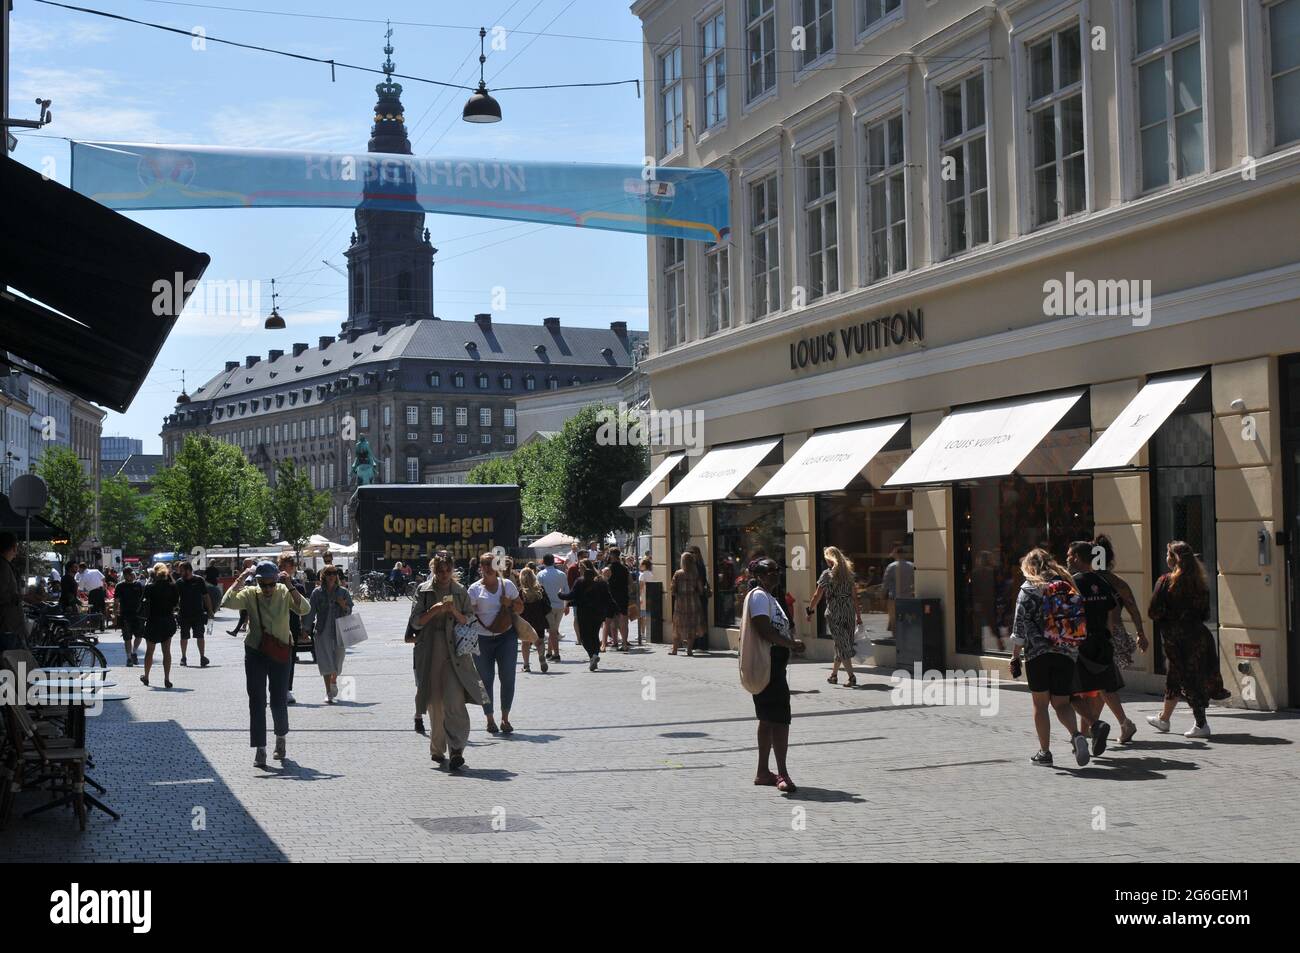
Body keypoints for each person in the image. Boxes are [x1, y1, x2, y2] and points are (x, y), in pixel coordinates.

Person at [1007, 548, 1092, 767]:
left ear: (1029, 566)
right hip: (1066, 651)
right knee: (1062, 702)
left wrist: (1015, 657)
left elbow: (1019, 628)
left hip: (1037, 654)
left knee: (1040, 705)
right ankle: (1077, 735)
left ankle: (1045, 753)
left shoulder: (1028, 589)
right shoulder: (1066, 583)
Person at [222, 561, 311, 766]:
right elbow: (227, 602)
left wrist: (289, 585)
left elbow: (304, 609)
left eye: (272, 584)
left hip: (280, 651)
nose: (268, 589)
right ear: (258, 582)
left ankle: (280, 738)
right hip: (255, 651)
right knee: (256, 700)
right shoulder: (251, 593)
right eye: (264, 585)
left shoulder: (283, 591)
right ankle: (260, 748)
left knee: (278, 700)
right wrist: (242, 577)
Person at [410, 553, 483, 770]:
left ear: (452, 570)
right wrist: (433, 611)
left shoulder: (460, 592)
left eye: (447, 570)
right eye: (439, 570)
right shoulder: (423, 590)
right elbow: (415, 621)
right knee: (434, 702)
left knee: (454, 700)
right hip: (431, 650)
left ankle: (457, 748)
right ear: (433, 570)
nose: (443, 575)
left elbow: (470, 620)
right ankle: (437, 747)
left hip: (456, 653)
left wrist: (454, 612)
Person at [1147, 541, 1226, 739]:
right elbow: (1206, 613)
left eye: (1168, 554)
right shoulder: (1200, 583)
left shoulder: (1165, 581)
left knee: (1189, 679)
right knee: (1177, 676)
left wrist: (1169, 618)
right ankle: (1164, 719)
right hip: (1199, 636)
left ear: (1173, 559)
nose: (1165, 557)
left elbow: (1153, 611)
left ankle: (1201, 724)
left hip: (1176, 639)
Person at [745, 558, 806, 793]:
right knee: (780, 720)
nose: (775, 575)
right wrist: (790, 644)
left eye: (777, 571)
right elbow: (763, 628)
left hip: (773, 665)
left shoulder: (769, 597)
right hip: (768, 664)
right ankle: (782, 773)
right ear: (759, 576)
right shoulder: (760, 596)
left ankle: (763, 771)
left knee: (768, 719)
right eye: (770, 572)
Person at [1065, 541, 1123, 756]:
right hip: (1101, 643)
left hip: (1081, 643)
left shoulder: (1072, 582)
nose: (1068, 558)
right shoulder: (1101, 581)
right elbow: (1111, 612)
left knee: (1073, 691)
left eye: (1070, 555)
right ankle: (1089, 732)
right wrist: (1108, 638)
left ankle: (1092, 726)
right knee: (1097, 688)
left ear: (1078, 558)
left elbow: (1069, 614)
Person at [1092, 534, 1149, 742]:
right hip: (1117, 635)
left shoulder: (1089, 581)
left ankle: (1122, 724)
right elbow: (1133, 609)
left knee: (1102, 685)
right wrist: (1140, 633)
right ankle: (1094, 727)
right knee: (1101, 685)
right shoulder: (1118, 582)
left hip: (1102, 637)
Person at [467, 552, 523, 735]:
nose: (488, 569)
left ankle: (505, 718)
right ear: (480, 567)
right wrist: (470, 611)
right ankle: (489, 718)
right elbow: (468, 613)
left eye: (491, 565)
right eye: (484, 565)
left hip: (506, 636)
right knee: (485, 681)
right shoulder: (474, 589)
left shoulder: (507, 585)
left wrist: (510, 603)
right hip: (482, 639)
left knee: (508, 677)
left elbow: (521, 607)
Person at [808, 546, 861, 686]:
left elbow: (817, 595)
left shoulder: (827, 574)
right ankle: (834, 676)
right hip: (849, 612)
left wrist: (810, 609)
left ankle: (851, 677)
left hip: (834, 612)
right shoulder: (849, 574)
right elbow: (855, 597)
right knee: (841, 643)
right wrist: (859, 616)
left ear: (830, 559)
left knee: (842, 645)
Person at [558, 559, 617, 671]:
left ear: (584, 569)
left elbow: (571, 595)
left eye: (580, 567)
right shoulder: (601, 581)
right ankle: (595, 655)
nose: (579, 569)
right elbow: (608, 597)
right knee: (594, 635)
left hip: (584, 613)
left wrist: (560, 594)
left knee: (584, 637)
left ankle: (592, 655)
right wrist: (614, 608)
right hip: (598, 613)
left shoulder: (580, 581)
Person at [306, 565, 353, 703]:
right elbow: (311, 611)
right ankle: (328, 692)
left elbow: (349, 611)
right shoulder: (317, 592)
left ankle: (334, 679)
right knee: (325, 660)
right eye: (329, 573)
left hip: (340, 629)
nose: (332, 575)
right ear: (323, 575)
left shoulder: (343, 592)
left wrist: (343, 605)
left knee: (338, 659)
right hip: (322, 629)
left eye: (334, 573)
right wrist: (305, 628)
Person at [139, 562, 179, 688]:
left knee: (149, 651)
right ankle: (167, 678)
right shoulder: (172, 586)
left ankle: (146, 676)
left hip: (153, 621)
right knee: (166, 651)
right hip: (167, 620)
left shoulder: (150, 587)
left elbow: (143, 601)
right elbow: (175, 603)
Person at [0, 532, 41, 650]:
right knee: (18, 663)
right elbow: (2, 596)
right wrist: (22, 597)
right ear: (13, 547)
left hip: (9, 627)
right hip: (7, 626)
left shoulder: (5, 565)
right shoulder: (3, 567)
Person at [278, 554, 308, 705]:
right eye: (282, 565)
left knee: (290, 657)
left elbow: (302, 607)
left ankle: (287, 689)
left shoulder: (298, 585)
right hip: (275, 625)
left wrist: (304, 628)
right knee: (274, 657)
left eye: (289, 565)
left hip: (292, 625)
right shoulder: (273, 582)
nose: (285, 568)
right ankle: (276, 687)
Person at [175, 561, 213, 668]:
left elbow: (206, 596)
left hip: (198, 613)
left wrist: (210, 611)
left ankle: (202, 657)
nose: (180, 573)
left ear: (188, 570)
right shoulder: (179, 582)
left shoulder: (199, 580)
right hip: (184, 614)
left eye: (182, 571)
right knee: (184, 636)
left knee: (200, 636)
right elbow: (175, 598)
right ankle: (183, 657)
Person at [670, 551, 706, 656]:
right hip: (693, 602)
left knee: (677, 626)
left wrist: (678, 593)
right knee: (692, 626)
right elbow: (700, 590)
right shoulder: (695, 574)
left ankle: (675, 650)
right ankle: (689, 650)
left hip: (680, 603)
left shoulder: (678, 573)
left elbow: (672, 589)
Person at [517, 567, 551, 674]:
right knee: (540, 641)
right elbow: (548, 606)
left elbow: (518, 609)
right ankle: (541, 656)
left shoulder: (521, 593)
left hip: (526, 621)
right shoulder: (540, 590)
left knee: (525, 642)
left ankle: (526, 665)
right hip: (539, 619)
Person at [537, 553, 567, 662]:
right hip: (560, 605)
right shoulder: (561, 574)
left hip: (547, 607)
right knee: (553, 630)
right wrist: (567, 605)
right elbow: (566, 591)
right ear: (553, 561)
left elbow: (538, 592)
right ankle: (550, 652)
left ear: (543, 562)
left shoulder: (541, 574)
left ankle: (556, 654)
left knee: (552, 631)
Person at [114, 566, 145, 666]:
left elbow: (143, 599)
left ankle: (134, 652)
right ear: (125, 575)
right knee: (127, 637)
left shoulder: (139, 585)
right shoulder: (120, 586)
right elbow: (116, 601)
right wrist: (115, 614)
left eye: (132, 574)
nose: (132, 576)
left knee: (139, 635)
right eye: (129, 574)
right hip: (125, 615)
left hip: (138, 614)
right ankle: (129, 658)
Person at [883, 545, 915, 636]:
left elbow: (886, 583)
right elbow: (914, 581)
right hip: (908, 597)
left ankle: (896, 637)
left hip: (894, 598)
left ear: (896, 554)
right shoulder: (911, 566)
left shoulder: (891, 566)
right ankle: (907, 636)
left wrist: (882, 594)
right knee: (907, 617)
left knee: (894, 619)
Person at [605, 547, 631, 652]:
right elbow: (631, 583)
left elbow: (604, 581)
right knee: (623, 620)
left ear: (611, 555)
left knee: (612, 621)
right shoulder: (625, 568)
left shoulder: (608, 568)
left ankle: (615, 642)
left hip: (612, 596)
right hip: (623, 596)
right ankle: (624, 643)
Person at [689, 545, 711, 652]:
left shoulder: (698, 565)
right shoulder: (695, 565)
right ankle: (696, 643)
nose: (691, 554)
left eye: (693, 552)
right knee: (696, 621)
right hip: (698, 596)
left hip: (700, 596)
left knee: (701, 620)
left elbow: (699, 582)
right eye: (690, 553)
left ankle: (702, 644)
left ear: (698, 553)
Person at [76, 561, 107, 631]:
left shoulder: (83, 576)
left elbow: (80, 589)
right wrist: (103, 586)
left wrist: (77, 596)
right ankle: (102, 625)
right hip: (100, 591)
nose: (78, 570)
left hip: (93, 593)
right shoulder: (95, 571)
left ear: (81, 568)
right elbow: (103, 578)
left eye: (79, 569)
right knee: (101, 608)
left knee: (92, 610)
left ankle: (93, 627)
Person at [227, 557, 255, 635]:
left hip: (251, 596)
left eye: (245, 563)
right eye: (244, 563)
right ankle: (239, 630)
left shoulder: (252, 572)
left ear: (250, 563)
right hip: (247, 595)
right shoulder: (248, 571)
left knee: (245, 614)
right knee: (244, 614)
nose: (243, 565)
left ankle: (239, 630)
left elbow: (250, 584)